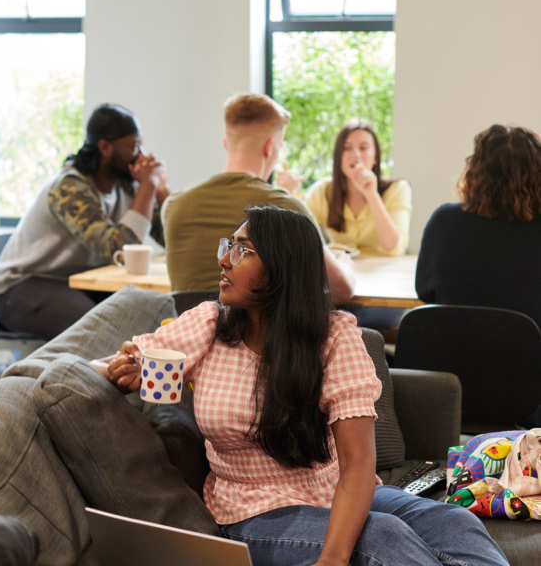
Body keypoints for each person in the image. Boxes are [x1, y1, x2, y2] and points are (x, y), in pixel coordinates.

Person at [102, 205, 508, 566]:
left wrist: (332, 557)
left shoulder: (333, 337)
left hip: (330, 492)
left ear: (282, 268)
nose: (225, 259)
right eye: (229, 245)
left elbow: (357, 463)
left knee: (454, 520)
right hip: (249, 510)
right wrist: (123, 367)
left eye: (243, 251)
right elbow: (113, 363)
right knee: (381, 539)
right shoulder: (210, 323)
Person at [0, 103, 167, 340]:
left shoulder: (126, 185)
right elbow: (117, 248)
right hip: (24, 287)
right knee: (101, 333)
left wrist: (161, 191)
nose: (142, 155)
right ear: (104, 147)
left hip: (78, 285)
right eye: (133, 146)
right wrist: (149, 185)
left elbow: (171, 237)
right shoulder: (70, 187)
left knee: (149, 316)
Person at [162, 93, 355, 299]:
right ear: (269, 147)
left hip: (189, 329)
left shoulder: (173, 204)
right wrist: (346, 265)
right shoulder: (285, 207)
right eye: (279, 147)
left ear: (226, 143)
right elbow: (341, 289)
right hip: (254, 331)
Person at [417, 124, 541, 330]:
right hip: (530, 359)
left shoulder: (443, 222)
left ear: (476, 171)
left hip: (449, 358)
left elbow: (424, 291)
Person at [290, 120, 411, 256]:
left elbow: (393, 248)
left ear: (375, 156)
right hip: (342, 272)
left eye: (364, 148)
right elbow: (295, 236)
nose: (356, 155)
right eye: (347, 148)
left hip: (387, 272)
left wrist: (372, 195)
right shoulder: (322, 191)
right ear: (338, 156)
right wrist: (289, 193)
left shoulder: (398, 189)